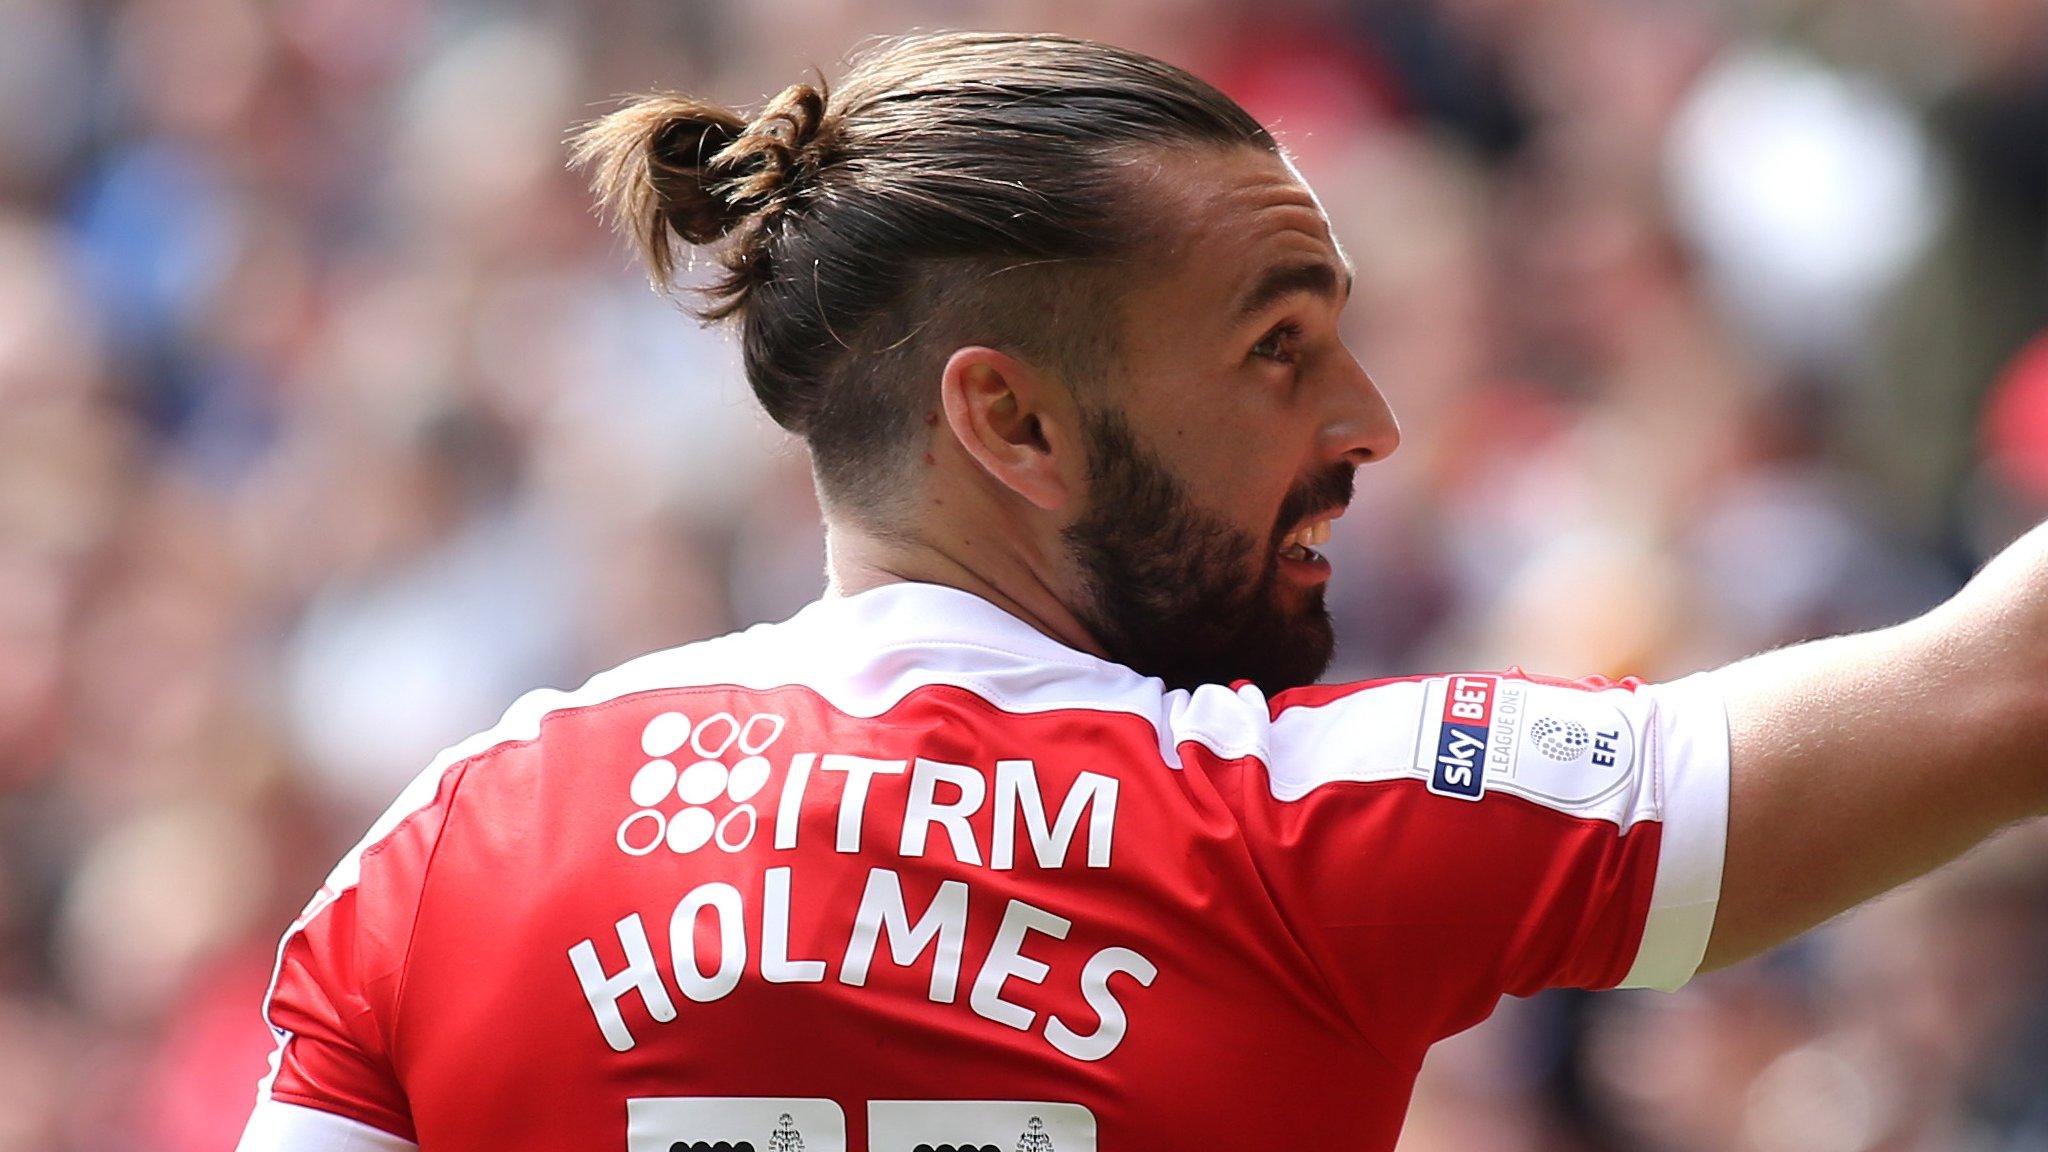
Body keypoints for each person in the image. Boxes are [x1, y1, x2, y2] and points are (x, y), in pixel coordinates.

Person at [235, 30, 2048, 1152]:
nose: (1373, 424)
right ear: (1011, 417)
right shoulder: (1290, 833)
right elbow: (2007, 684)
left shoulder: (444, 857)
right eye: (1281, 350)